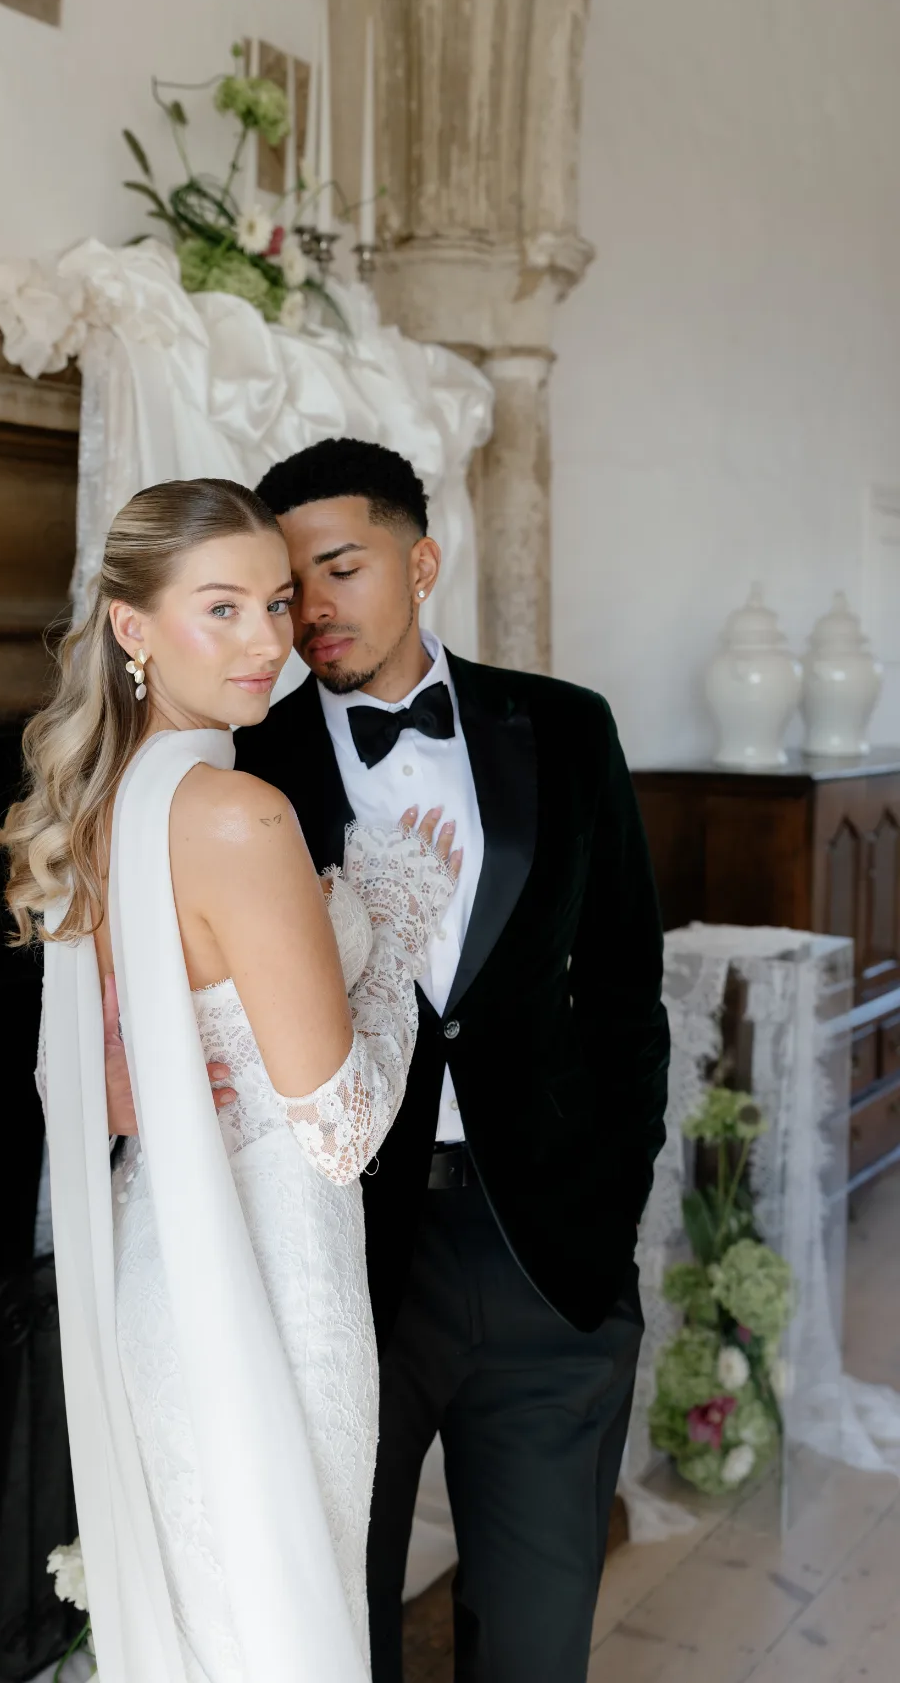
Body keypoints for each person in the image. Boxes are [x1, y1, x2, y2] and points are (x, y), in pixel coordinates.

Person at [0, 477, 458, 1683]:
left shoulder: (96, 805)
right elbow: (344, 1124)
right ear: (133, 628)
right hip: (269, 1281)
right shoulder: (242, 816)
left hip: (163, 1266)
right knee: (283, 1634)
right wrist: (394, 935)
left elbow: (85, 1092)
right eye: (224, 610)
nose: (271, 643)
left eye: (277, 604)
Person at [235, 437, 670, 1683]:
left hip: (547, 1257)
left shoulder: (569, 731)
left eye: (340, 567)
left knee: (537, 1649)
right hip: (339, 1260)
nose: (312, 608)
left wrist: (609, 1209)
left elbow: (628, 994)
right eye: (286, 585)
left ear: (421, 561)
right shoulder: (242, 768)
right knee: (333, 1633)